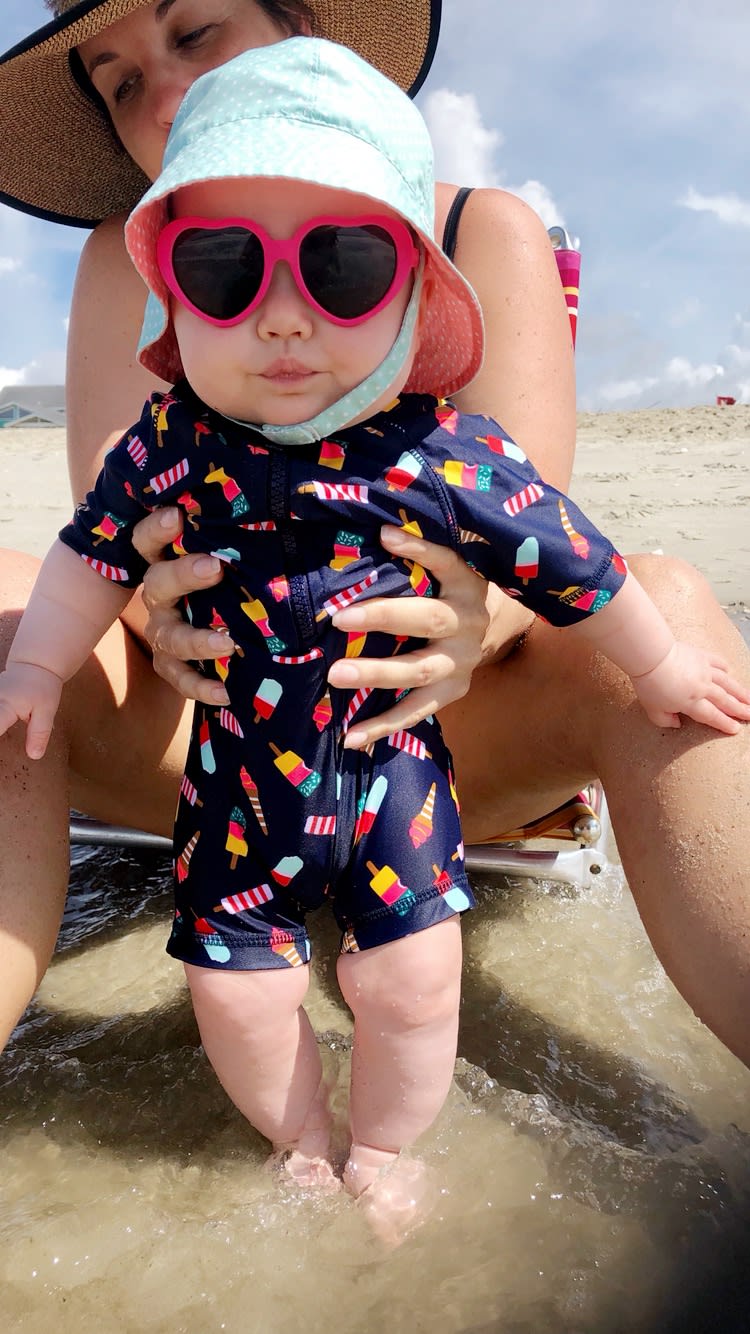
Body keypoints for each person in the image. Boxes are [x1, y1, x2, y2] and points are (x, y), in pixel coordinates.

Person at [1, 38, 747, 1220]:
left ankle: (389, 1147)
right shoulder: (168, 445)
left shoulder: (443, 449)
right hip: (232, 787)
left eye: (343, 266)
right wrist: (41, 659)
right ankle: (299, 1133)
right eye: (222, 266)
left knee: (410, 985)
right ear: (174, 295)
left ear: (411, 294)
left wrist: (660, 666)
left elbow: (574, 560)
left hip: (407, 773)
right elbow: (93, 550)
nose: (285, 318)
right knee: (232, 990)